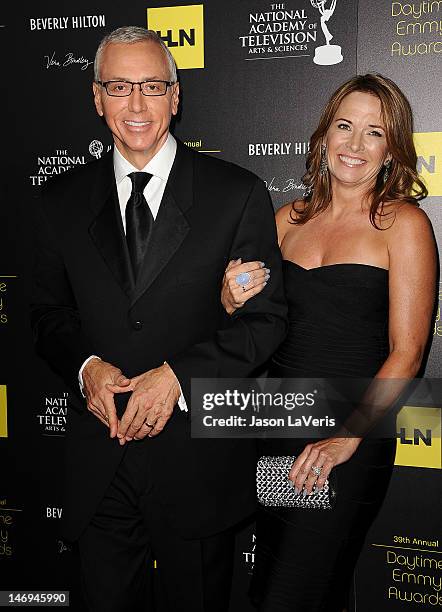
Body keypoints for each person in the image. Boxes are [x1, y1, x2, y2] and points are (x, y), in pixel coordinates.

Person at [30, 26, 288, 612]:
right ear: (97, 98)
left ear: (176, 95)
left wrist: (179, 378)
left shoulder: (236, 193)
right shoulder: (58, 201)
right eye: (119, 88)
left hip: (195, 467)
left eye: (152, 86)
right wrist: (86, 367)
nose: (137, 104)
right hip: (101, 462)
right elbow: (45, 314)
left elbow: (264, 323)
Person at [221, 73, 436, 611]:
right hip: (277, 425)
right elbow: (244, 324)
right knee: (284, 584)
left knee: (294, 592)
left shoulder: (403, 225)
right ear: (323, 137)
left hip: (349, 437)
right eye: (345, 126)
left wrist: (349, 436)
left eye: (374, 133)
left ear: (392, 150)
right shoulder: (285, 221)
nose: (355, 145)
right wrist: (228, 299)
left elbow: (408, 351)